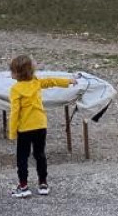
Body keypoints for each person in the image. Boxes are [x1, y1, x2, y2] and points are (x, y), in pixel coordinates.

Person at [6, 53, 72, 198]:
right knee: (40, 154)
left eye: (12, 70)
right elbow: (51, 81)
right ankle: (43, 184)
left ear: (17, 73)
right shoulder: (36, 82)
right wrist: (69, 81)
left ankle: (24, 187)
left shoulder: (15, 89)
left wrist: (12, 132)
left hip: (25, 128)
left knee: (22, 157)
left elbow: (15, 113)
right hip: (41, 125)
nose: (10, 73)